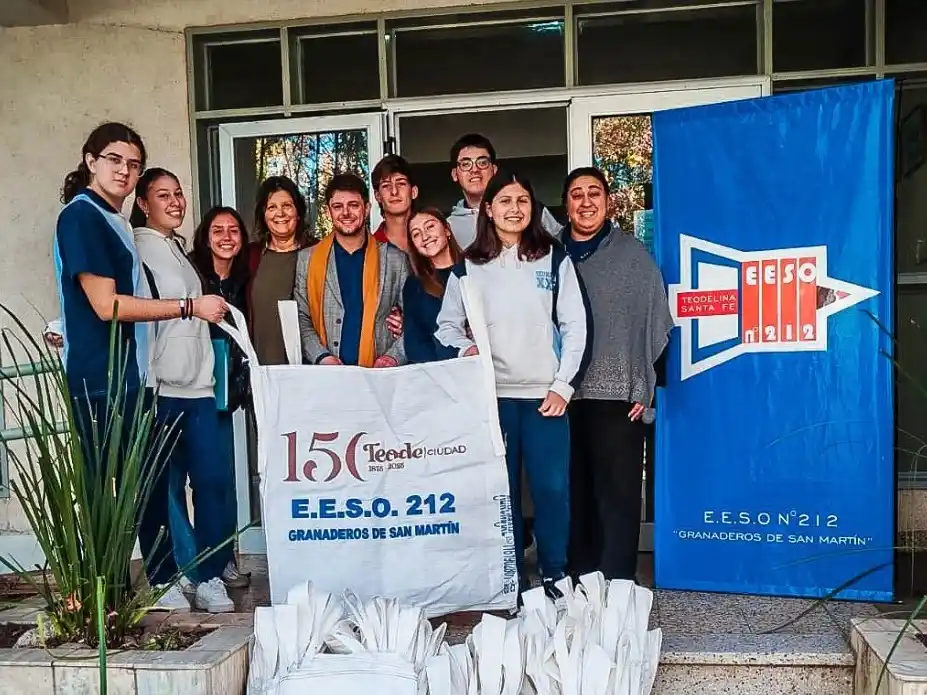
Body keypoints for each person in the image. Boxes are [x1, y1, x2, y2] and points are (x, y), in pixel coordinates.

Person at [53, 122, 227, 611]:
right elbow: (105, 304)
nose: (124, 171)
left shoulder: (114, 222)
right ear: (91, 161)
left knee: (145, 488)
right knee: (109, 495)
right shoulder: (82, 217)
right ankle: (108, 600)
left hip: (135, 377)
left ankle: (151, 585)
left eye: (133, 163)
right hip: (101, 379)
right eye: (114, 160)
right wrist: (189, 307)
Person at [435, 171, 588, 598]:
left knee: (551, 490)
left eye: (522, 201)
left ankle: (555, 572)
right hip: (493, 399)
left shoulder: (554, 259)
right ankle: (511, 574)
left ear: (533, 208)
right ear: (489, 208)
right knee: (501, 494)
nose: (514, 209)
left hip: (545, 398)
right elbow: (446, 326)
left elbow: (575, 326)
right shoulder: (468, 265)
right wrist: (466, 350)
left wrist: (563, 385)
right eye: (505, 201)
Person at [559, 166, 673, 581]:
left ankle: (619, 584)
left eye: (594, 193)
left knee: (618, 496)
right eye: (577, 194)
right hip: (560, 395)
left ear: (608, 202)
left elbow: (655, 321)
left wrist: (646, 386)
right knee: (572, 494)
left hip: (618, 395)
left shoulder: (633, 256)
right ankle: (579, 583)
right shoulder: (549, 255)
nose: (586, 201)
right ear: (566, 206)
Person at [131, 169, 236, 613]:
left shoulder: (177, 248)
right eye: (163, 195)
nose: (175, 201)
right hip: (160, 386)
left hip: (199, 386)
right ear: (143, 204)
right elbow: (115, 303)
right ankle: (162, 578)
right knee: (156, 488)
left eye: (178, 193)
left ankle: (208, 576)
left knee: (212, 482)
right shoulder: (136, 247)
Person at [186, 206, 254, 592]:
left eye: (233, 230)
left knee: (223, 480)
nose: (226, 237)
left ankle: (224, 559)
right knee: (202, 481)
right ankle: (194, 564)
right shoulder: (192, 274)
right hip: (192, 386)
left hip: (228, 391)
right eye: (218, 230)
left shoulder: (246, 278)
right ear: (205, 236)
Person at [295, 173, 408, 367]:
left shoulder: (394, 259)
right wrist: (322, 357)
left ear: (367, 208)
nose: (345, 213)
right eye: (338, 206)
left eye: (354, 205)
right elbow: (301, 317)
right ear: (328, 211)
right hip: (326, 372)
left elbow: (415, 318)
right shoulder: (307, 259)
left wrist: (393, 357)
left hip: (380, 373)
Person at [447, 134, 561, 250]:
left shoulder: (531, 210)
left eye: (482, 163)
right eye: (465, 164)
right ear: (455, 174)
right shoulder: (448, 227)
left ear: (494, 170)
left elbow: (561, 247)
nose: (475, 169)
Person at [246, 176, 314, 365]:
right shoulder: (250, 256)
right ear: (263, 215)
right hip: (260, 368)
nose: (280, 213)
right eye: (272, 207)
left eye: (287, 205)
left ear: (298, 212)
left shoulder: (317, 253)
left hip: (308, 367)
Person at [402, 208, 462, 364]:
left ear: (447, 229)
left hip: (480, 366)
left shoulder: (474, 269)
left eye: (430, 226)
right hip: (437, 371)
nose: (425, 236)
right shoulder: (413, 286)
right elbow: (415, 342)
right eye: (416, 234)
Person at [372, 154, 419, 251]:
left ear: (414, 192)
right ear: (378, 196)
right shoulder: (370, 249)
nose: (394, 192)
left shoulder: (431, 241)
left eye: (401, 183)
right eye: (386, 185)